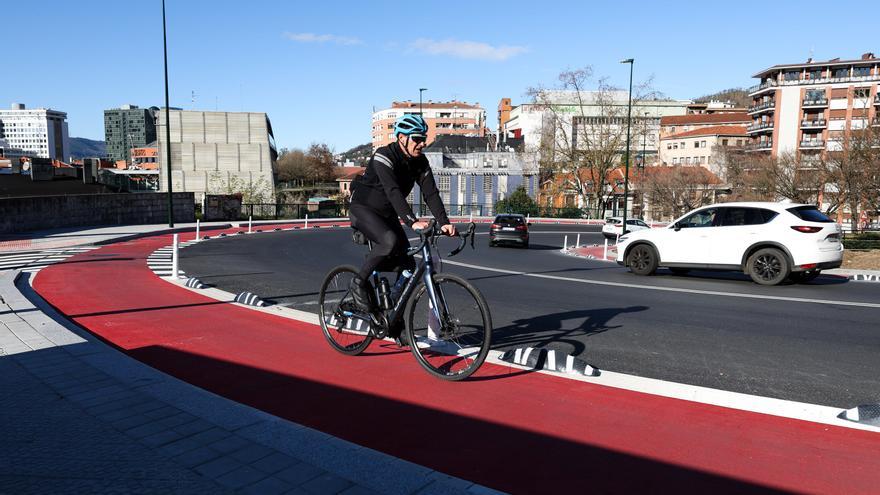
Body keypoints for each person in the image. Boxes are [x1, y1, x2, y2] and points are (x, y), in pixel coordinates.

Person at [348, 114, 456, 315]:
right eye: (417, 139)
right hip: (363, 208)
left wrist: (444, 222)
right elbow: (392, 191)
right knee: (389, 241)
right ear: (401, 138)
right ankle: (358, 282)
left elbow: (430, 193)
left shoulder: (420, 161)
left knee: (408, 264)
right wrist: (412, 222)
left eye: (424, 138)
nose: (422, 143)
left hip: (387, 213)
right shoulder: (384, 156)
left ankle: (395, 323)